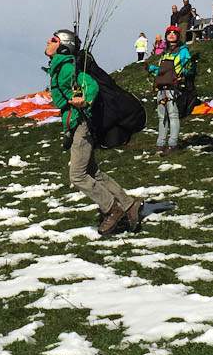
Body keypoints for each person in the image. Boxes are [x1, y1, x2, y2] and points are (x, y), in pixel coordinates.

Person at [46, 30, 142, 236]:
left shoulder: (66, 67)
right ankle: (128, 204)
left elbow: (90, 84)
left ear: (63, 46)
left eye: (53, 40)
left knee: (77, 175)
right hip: (77, 123)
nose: (48, 41)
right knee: (92, 172)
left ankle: (112, 209)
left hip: (81, 124)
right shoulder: (60, 67)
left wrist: (85, 100)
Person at [147, 25, 195, 155]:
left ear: (178, 36)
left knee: (173, 116)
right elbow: (162, 71)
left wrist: (184, 74)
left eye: (174, 33)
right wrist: (152, 69)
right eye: (169, 33)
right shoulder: (165, 53)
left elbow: (189, 68)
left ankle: (172, 144)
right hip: (161, 88)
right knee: (162, 117)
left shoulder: (183, 51)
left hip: (174, 88)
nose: (171, 35)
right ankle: (160, 144)